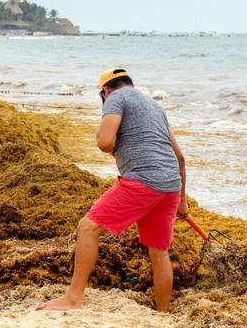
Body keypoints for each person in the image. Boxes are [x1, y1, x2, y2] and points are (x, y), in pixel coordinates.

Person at [39, 68, 188, 313]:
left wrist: (109, 136)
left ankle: (73, 298)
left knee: (87, 227)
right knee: (159, 253)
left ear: (105, 91)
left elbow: (104, 142)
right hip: (171, 185)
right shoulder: (155, 107)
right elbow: (180, 157)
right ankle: (163, 312)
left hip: (143, 180)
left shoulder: (116, 98)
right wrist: (182, 202)